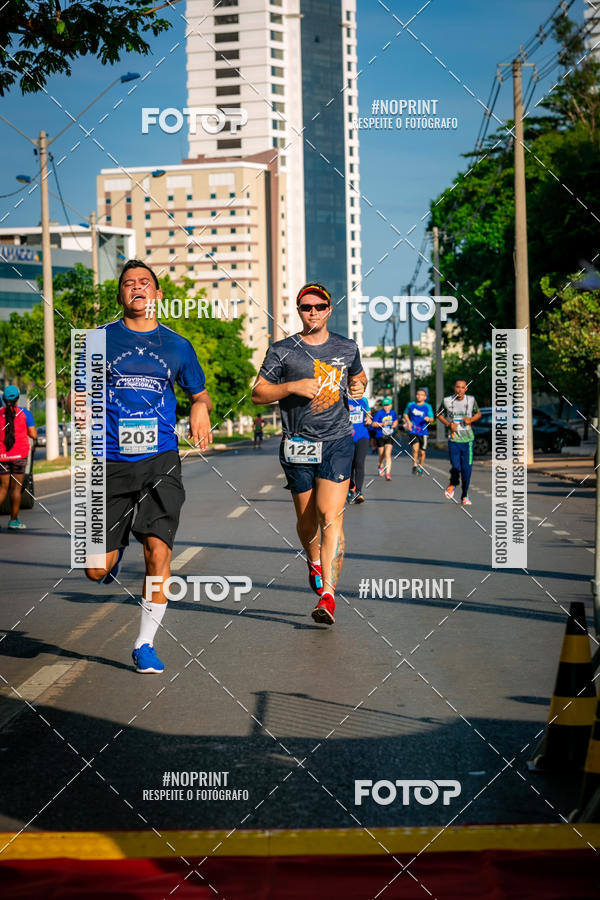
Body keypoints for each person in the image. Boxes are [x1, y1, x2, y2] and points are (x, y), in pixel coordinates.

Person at [77, 260, 213, 674]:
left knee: (158, 550)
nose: (136, 288)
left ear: (157, 294)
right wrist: (78, 405)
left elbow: (200, 393)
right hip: (109, 460)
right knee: (95, 569)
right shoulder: (97, 340)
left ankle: (144, 643)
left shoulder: (178, 345)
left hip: (160, 459)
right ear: (120, 295)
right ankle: (114, 551)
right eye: (128, 284)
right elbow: (78, 392)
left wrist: (200, 408)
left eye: (144, 283)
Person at [252, 282, 367, 625]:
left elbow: (359, 378)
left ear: (329, 309)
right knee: (307, 521)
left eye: (319, 306)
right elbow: (258, 393)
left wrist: (359, 386)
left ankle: (328, 596)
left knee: (329, 515)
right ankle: (313, 559)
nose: (313, 312)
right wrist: (292, 386)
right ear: (299, 311)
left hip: (337, 440)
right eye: (306, 307)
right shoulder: (282, 350)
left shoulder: (347, 347)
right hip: (297, 443)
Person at [437, 378, 481, 506]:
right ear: (454, 388)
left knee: (467, 471)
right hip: (454, 440)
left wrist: (470, 420)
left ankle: (464, 495)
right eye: (457, 387)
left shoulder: (471, 400)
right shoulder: (447, 401)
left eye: (462, 387)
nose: (460, 390)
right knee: (456, 466)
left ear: (466, 389)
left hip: (468, 441)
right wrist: (448, 424)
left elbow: (478, 414)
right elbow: (438, 414)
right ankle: (453, 483)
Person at [0, 385, 37, 530]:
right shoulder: (25, 413)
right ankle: (13, 521)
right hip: (19, 455)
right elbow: (33, 434)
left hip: (2, 456)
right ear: (17, 399)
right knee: (16, 488)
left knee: (3, 488)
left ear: (4, 400)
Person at [403, 387, 434, 475]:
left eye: (421, 395)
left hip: (423, 432)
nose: (419, 396)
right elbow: (405, 414)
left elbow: (432, 418)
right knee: (415, 449)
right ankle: (414, 465)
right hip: (413, 430)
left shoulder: (427, 406)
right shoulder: (410, 405)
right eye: (418, 394)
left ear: (425, 397)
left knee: (422, 452)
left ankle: (420, 467)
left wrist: (428, 419)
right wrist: (408, 421)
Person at [347, 394, 371, 504]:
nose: (355, 388)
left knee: (359, 463)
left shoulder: (364, 400)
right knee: (349, 465)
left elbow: (368, 414)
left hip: (362, 436)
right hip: (347, 436)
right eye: (352, 386)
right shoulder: (343, 399)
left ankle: (359, 492)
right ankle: (350, 490)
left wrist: (368, 418)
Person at [371, 397, 398, 481]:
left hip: (390, 435)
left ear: (391, 405)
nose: (386, 407)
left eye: (388, 405)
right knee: (381, 454)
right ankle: (380, 465)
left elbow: (395, 421)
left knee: (387, 454)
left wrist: (394, 424)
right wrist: (382, 424)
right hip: (380, 436)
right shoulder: (379, 413)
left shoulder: (393, 413)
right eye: (385, 405)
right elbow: (373, 424)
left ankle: (388, 473)